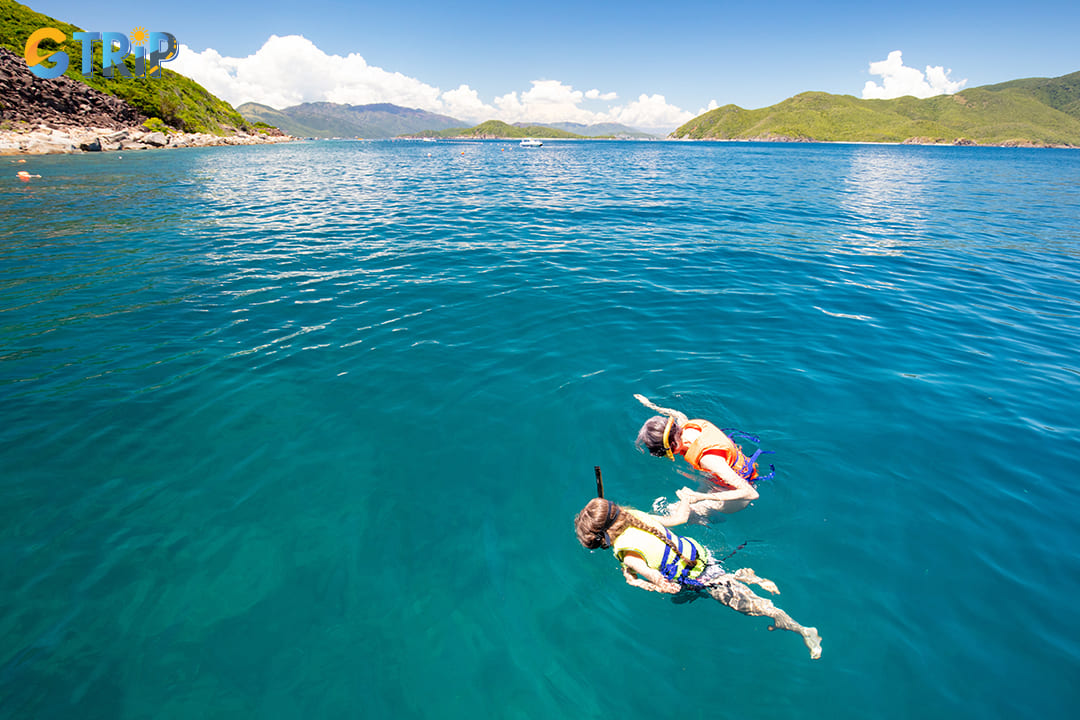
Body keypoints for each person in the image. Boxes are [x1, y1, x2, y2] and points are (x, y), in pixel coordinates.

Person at [574, 497, 822, 659]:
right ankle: (746, 577)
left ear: (604, 537)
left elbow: (662, 583)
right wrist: (686, 499)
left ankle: (802, 630)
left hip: (699, 578)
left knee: (754, 607)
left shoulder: (627, 555)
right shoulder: (637, 515)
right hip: (702, 555)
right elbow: (679, 519)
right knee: (719, 579)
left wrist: (638, 582)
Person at [635, 394, 769, 514]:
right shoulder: (687, 426)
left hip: (737, 494)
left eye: (665, 453)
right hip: (719, 476)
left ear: (673, 445)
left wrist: (703, 497)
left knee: (673, 511)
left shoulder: (708, 458)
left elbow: (750, 493)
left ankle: (708, 518)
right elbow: (678, 414)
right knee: (684, 504)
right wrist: (650, 404)